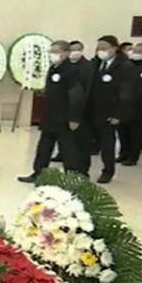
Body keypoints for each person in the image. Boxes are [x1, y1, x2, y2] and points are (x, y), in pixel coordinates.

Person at [18, 40, 85, 182]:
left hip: (64, 117)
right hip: (50, 116)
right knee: (44, 148)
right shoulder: (53, 68)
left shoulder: (72, 71)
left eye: (56, 52)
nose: (53, 55)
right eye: (51, 52)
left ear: (66, 53)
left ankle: (72, 177)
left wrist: (74, 118)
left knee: (68, 150)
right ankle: (39, 173)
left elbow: (76, 96)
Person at [86, 35, 136, 184]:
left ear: (114, 48)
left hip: (110, 111)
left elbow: (127, 93)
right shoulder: (94, 64)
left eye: (104, 48)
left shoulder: (125, 66)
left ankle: (108, 171)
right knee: (86, 143)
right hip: (92, 109)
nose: (100, 51)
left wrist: (118, 114)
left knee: (107, 143)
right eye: (98, 48)